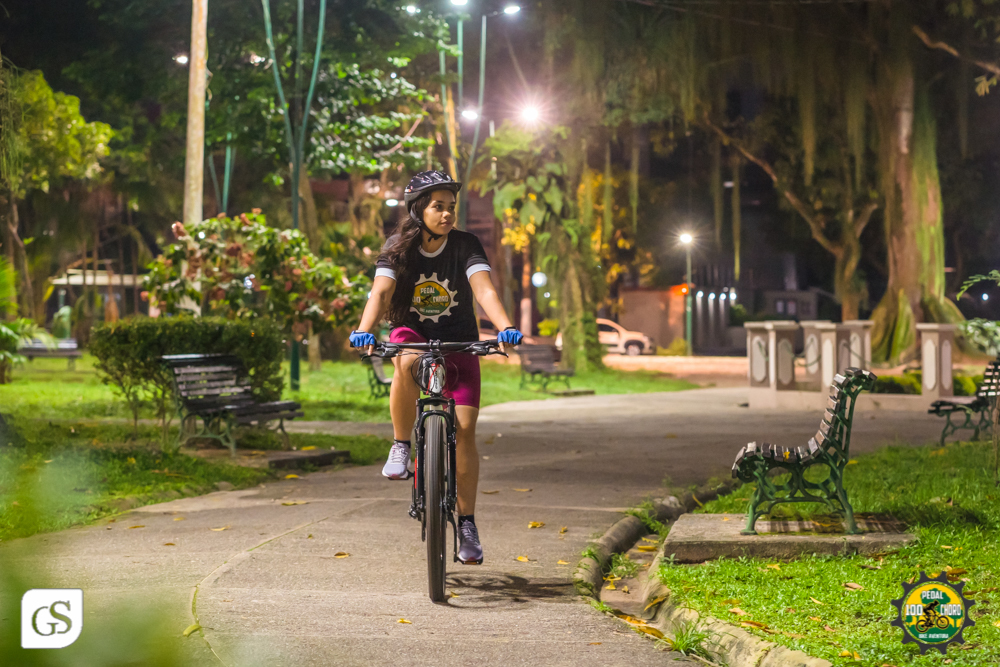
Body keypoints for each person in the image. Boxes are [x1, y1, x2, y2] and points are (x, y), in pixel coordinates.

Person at [349, 170, 523, 565]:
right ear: (418, 210)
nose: (447, 214)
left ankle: (467, 524)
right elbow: (381, 292)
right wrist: (363, 329)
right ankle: (401, 444)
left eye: (451, 207)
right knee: (407, 360)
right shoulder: (397, 246)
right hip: (412, 332)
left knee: (465, 430)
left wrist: (504, 327)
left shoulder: (466, 244)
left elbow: (484, 289)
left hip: (459, 339)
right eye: (438, 207)